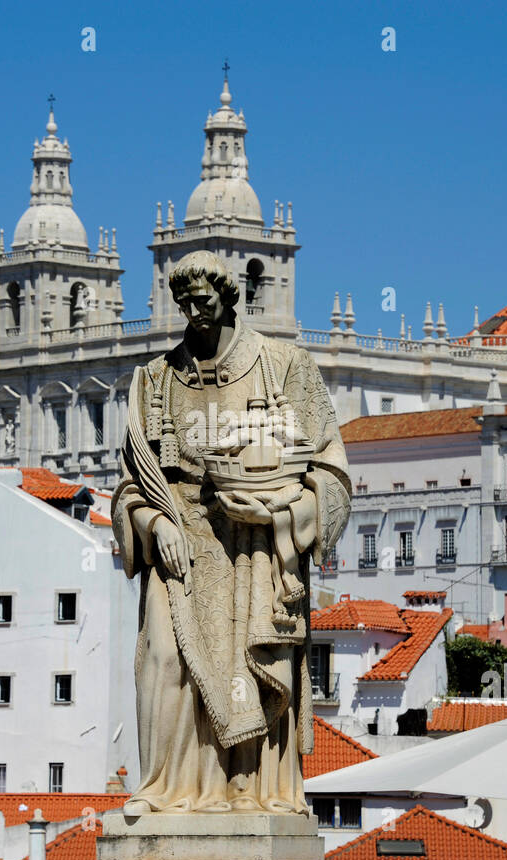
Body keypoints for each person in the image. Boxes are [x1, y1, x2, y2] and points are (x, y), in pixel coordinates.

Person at [112, 250, 351, 815]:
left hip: (258, 551)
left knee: (250, 667)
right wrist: (153, 522)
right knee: (163, 661)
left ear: (229, 298)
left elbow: (332, 470)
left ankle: (253, 792)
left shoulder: (285, 366)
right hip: (179, 548)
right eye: (184, 304)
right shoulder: (153, 381)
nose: (194, 313)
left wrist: (280, 515)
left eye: (205, 302)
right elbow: (128, 486)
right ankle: (164, 790)